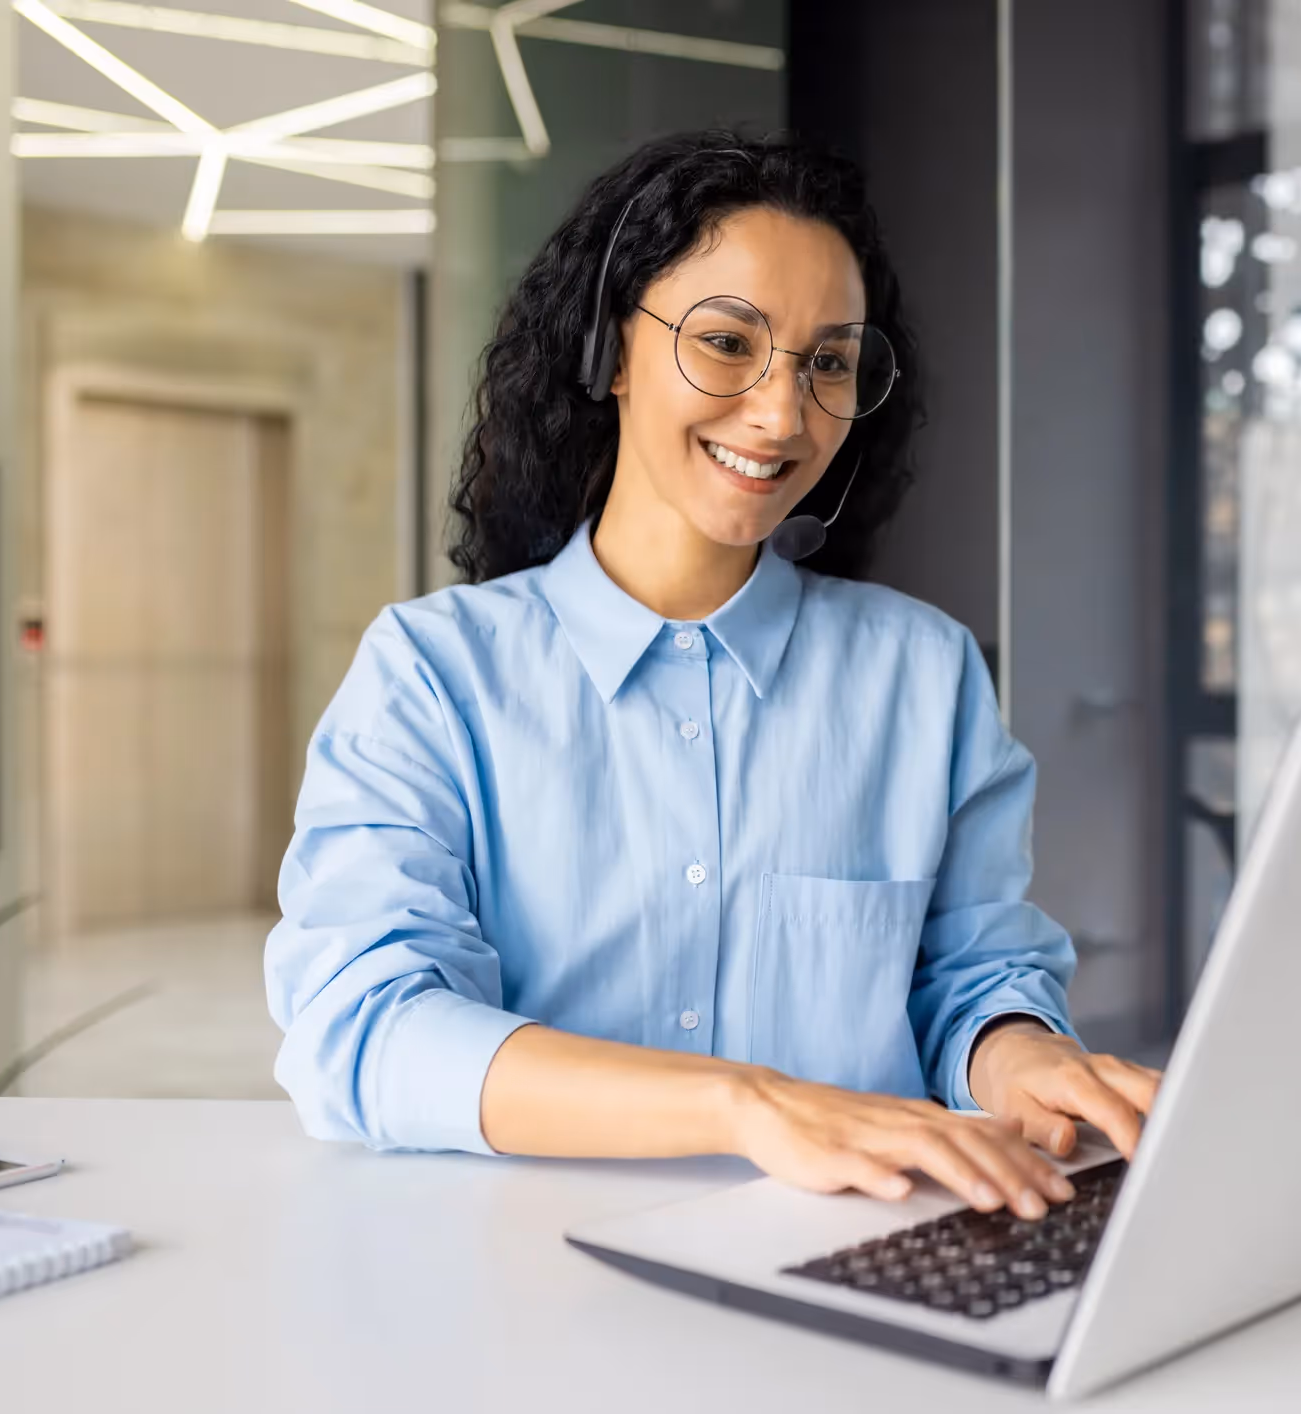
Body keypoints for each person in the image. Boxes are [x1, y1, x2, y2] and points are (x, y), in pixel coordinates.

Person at [264, 131, 1158, 1222]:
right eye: (727, 341)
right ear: (610, 352)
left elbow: (965, 978)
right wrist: (746, 1105)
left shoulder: (923, 675)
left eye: (827, 362)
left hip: (849, 1267)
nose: (782, 415)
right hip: (522, 1278)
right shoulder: (432, 677)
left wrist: (1017, 1057)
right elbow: (365, 1029)